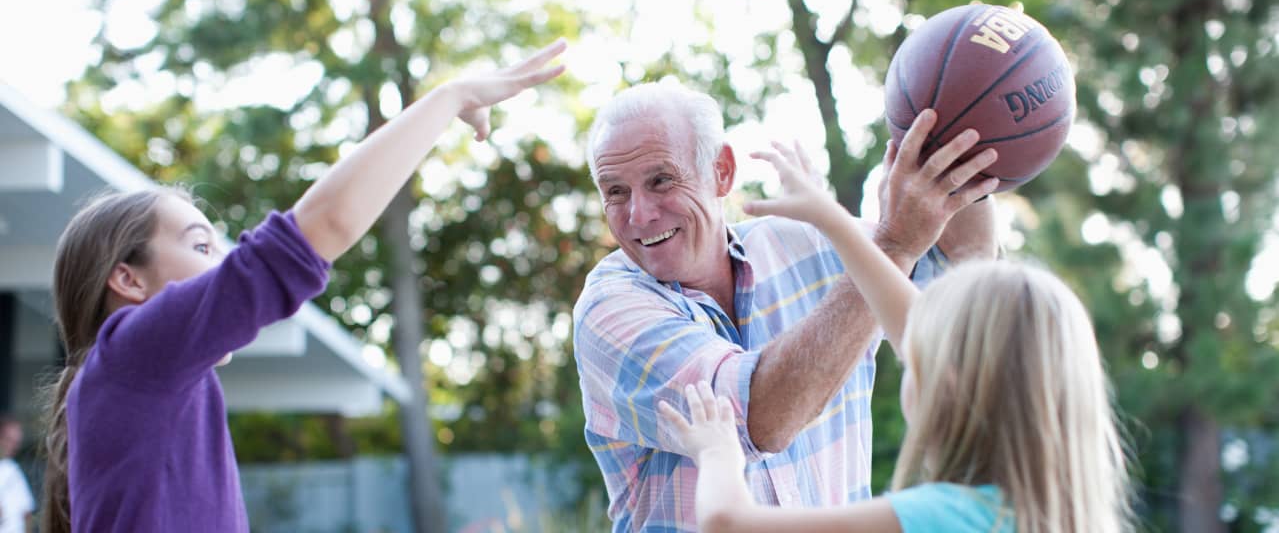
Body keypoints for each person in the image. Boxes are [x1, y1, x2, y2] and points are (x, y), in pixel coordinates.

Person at [37, 40, 566, 533]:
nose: (222, 266)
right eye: (201, 247)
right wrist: (451, 96)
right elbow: (321, 227)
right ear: (127, 279)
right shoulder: (132, 353)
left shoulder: (152, 384)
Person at [572, 80, 1000, 531]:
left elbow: (958, 274)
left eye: (660, 180)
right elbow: (760, 419)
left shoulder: (809, 244)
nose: (639, 214)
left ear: (721, 171)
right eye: (615, 192)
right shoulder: (611, 309)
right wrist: (891, 249)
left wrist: (961, 112)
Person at [658, 141, 1133, 533]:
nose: (907, 348)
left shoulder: (947, 515)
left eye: (913, 361)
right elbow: (919, 323)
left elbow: (728, 523)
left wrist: (719, 450)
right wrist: (830, 219)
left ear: (948, 385)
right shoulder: (1062, 513)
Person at [0, 416, 33, 533]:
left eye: (17, 442)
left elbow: (27, 513)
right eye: (9, 440)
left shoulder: (12, 469)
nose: (14, 446)